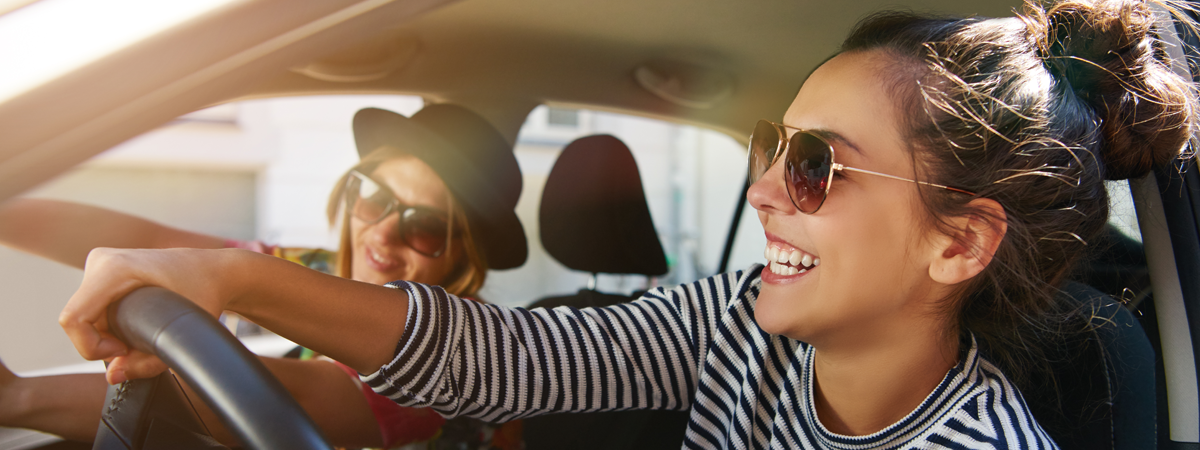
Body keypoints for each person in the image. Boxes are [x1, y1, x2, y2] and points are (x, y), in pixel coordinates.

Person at [57, 0, 1198, 448]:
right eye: (768, 147)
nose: (763, 192)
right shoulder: (735, 330)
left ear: (958, 243)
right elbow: (500, 357)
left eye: (815, 166)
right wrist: (223, 280)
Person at [0, 104, 528, 449]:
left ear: (465, 254)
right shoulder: (318, 268)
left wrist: (19, 397)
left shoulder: (459, 352)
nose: (383, 235)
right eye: (374, 197)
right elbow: (156, 244)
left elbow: (291, 397)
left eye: (427, 225)